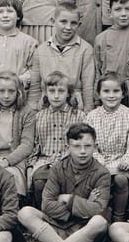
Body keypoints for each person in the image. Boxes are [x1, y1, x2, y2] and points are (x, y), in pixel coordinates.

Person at [9, 123, 110, 242]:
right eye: (76, 146)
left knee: (99, 222)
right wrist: (83, 205)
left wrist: (69, 199)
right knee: (25, 213)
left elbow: (98, 210)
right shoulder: (58, 168)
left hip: (82, 230)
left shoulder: (102, 173)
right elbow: (47, 205)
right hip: (57, 227)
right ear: (68, 147)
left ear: (95, 147)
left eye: (88, 146)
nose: (82, 151)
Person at [86, 72, 129, 222]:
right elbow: (90, 145)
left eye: (116, 91)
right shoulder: (91, 117)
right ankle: (98, 216)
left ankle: (118, 216)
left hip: (123, 165)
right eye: (106, 91)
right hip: (99, 163)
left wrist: (126, 162)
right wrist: (99, 162)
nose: (111, 95)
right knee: (95, 179)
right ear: (99, 94)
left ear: (123, 93)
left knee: (120, 179)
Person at [29, 71, 87, 207]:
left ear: (68, 93)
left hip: (70, 161)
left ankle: (68, 214)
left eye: (61, 91)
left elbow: (82, 143)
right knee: (40, 181)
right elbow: (35, 147)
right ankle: (44, 213)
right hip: (46, 161)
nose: (56, 96)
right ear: (46, 93)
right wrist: (30, 168)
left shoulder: (78, 116)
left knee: (70, 183)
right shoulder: (39, 117)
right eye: (51, 91)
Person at [27, 2, 96, 111]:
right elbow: (35, 87)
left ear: (79, 25)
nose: (68, 27)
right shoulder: (41, 50)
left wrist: (88, 111)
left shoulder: (86, 49)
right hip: (46, 107)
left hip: (74, 108)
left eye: (73, 23)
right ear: (53, 21)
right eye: (63, 22)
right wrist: (33, 110)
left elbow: (88, 87)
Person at [0, 71, 35, 199]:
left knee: (9, 176)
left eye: (11, 91)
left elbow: (27, 145)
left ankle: (12, 206)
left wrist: (7, 161)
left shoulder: (26, 112)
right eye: (1, 91)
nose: (6, 96)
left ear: (18, 92)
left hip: (14, 159)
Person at [0, 0, 38, 106]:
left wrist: (18, 80)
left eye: (10, 11)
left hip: (18, 94)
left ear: (18, 16)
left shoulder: (29, 42)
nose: (5, 15)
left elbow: (33, 71)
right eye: (0, 12)